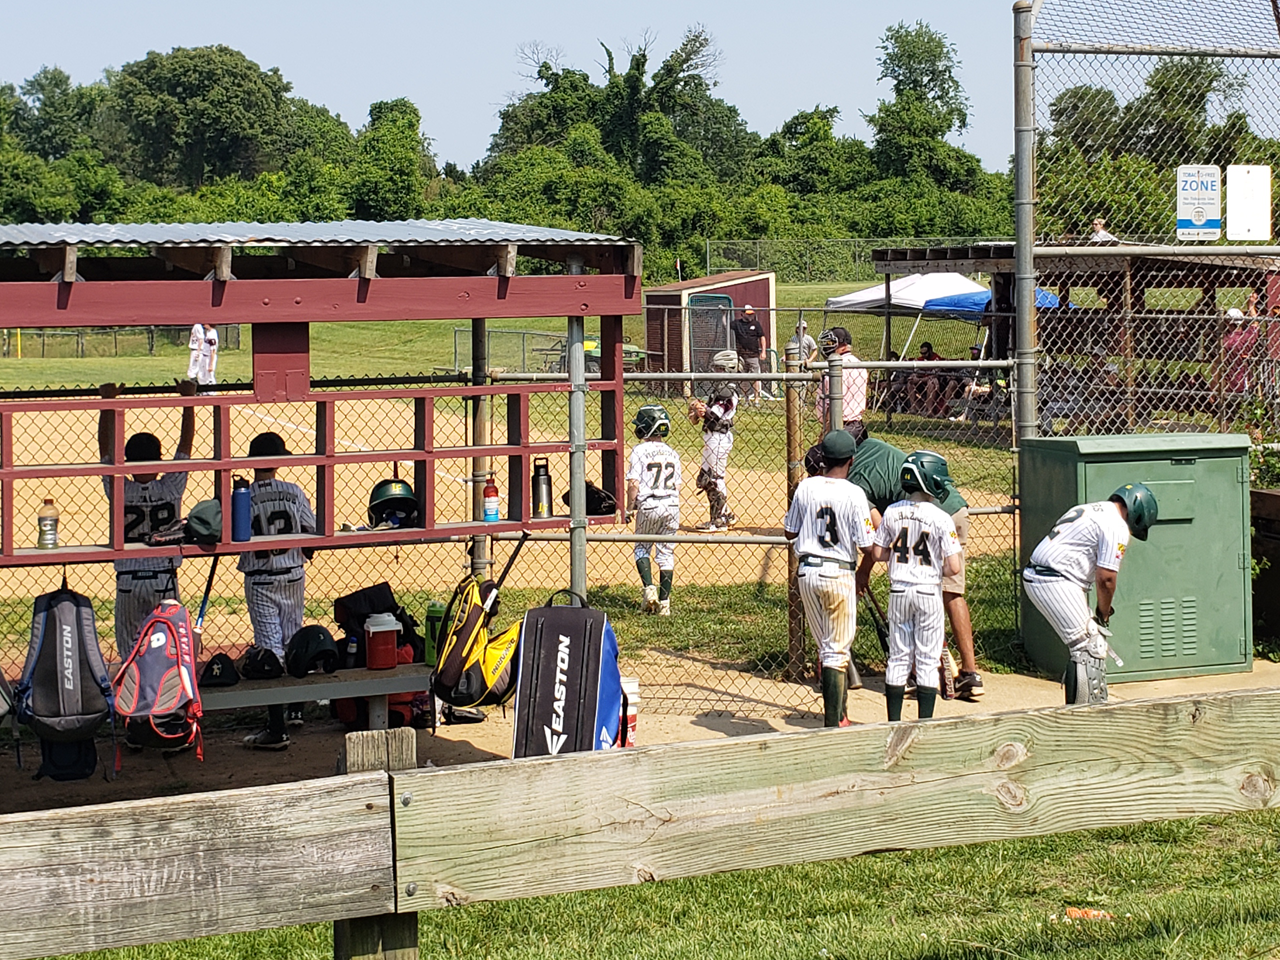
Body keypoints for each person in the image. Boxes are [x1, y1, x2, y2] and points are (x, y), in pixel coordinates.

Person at [851, 435, 983, 699]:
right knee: (952, 594)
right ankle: (970, 674)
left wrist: (864, 571)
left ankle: (913, 673)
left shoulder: (853, 483)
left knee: (912, 600)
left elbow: (881, 533)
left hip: (924, 518)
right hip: (955, 509)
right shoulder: (875, 446)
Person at [1022, 483, 1158, 704]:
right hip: (1054, 580)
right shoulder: (1116, 526)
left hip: (1049, 576)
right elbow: (1106, 578)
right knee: (1089, 647)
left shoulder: (1090, 509)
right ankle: (1086, 715)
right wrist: (1103, 614)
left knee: (1086, 645)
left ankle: (1082, 708)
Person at [97, 379, 197, 660]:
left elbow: (104, 450)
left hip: (128, 580)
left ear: (126, 460)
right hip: (163, 579)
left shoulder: (120, 488)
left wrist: (108, 403)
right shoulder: (171, 486)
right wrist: (188, 400)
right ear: (159, 460)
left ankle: (133, 701)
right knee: (167, 653)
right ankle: (165, 702)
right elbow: (185, 445)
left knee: (130, 654)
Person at [784, 430, 875, 727]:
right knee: (837, 650)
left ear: (822, 458)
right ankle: (833, 723)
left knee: (828, 646)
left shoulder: (806, 487)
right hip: (838, 574)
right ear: (851, 460)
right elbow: (866, 546)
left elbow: (790, 532)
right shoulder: (854, 493)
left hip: (807, 572)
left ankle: (841, 715)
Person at [865, 451, 963, 722]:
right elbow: (954, 567)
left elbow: (877, 553)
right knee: (928, 659)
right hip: (928, 590)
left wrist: (897, 557)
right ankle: (924, 724)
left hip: (899, 590)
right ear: (929, 480)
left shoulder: (892, 512)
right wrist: (932, 567)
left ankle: (894, 723)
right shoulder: (941, 517)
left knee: (898, 656)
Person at [239, 431, 317, 750]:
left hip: (260, 580)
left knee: (270, 650)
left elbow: (234, 536)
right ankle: (296, 707)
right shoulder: (294, 492)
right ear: (278, 462)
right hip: (293, 575)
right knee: (292, 639)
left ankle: (276, 728)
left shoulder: (244, 495)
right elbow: (311, 535)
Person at [626, 404, 681, 616]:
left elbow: (633, 484)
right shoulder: (672, 453)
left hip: (649, 504)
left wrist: (630, 509)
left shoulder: (639, 451)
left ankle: (649, 590)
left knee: (641, 548)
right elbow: (677, 485)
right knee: (666, 553)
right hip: (672, 505)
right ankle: (665, 604)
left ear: (646, 427)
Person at [687, 381, 737, 531]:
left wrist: (703, 409)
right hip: (712, 438)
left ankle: (719, 521)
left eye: (719, 368)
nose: (716, 371)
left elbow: (714, 415)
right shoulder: (721, 390)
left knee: (715, 478)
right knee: (705, 478)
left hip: (718, 438)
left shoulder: (727, 391)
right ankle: (725, 513)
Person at [815, 327, 869, 443]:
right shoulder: (859, 364)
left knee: (821, 459)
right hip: (857, 426)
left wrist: (825, 434)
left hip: (838, 426)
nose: (826, 347)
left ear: (843, 345)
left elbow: (834, 403)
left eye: (831, 343)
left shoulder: (835, 368)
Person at [732, 304, 770, 403]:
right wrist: (724, 314)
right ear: (742, 314)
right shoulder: (737, 324)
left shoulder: (756, 324)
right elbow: (726, 325)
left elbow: (762, 337)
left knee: (755, 377)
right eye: (748, 314)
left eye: (751, 314)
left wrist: (763, 351)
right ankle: (746, 398)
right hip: (741, 355)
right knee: (743, 378)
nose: (750, 316)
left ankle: (757, 398)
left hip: (753, 355)